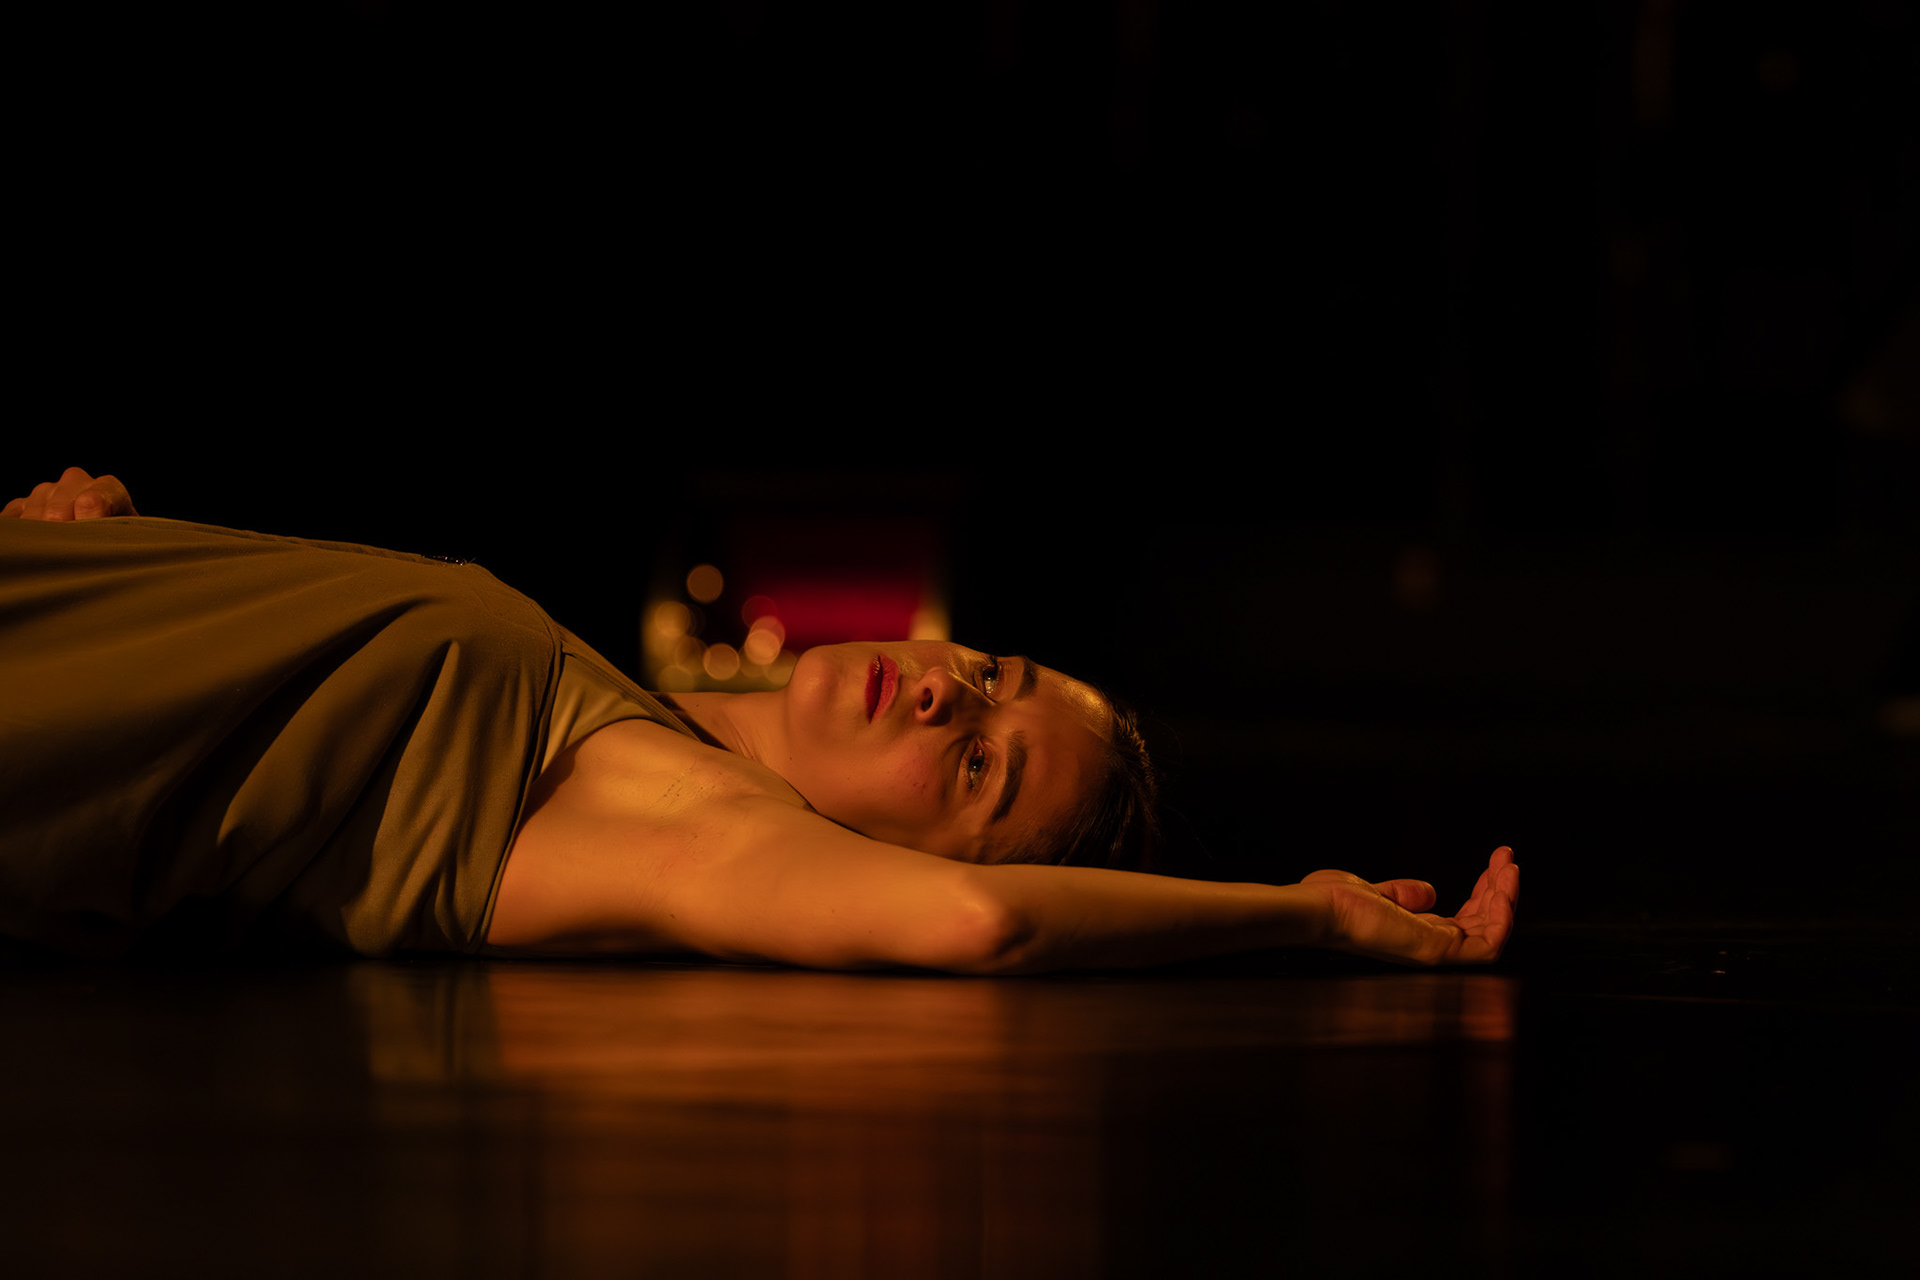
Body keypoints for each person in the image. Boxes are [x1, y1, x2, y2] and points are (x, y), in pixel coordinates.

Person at [2, 468, 1517, 971]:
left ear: (904, 854)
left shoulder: (681, 814)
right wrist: (123, 554)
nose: (950, 690)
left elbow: (982, 924)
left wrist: (1306, 916)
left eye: (975, 769)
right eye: (993, 675)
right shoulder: (617, 706)